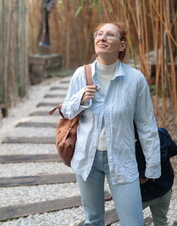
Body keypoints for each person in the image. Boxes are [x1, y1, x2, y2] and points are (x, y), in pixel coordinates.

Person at [61, 22, 161, 226]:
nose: (102, 38)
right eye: (99, 34)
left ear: (122, 45)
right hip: (87, 158)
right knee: (93, 220)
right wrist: (80, 98)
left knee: (133, 222)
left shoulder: (135, 80)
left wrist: (152, 166)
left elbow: (146, 126)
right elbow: (66, 111)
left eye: (109, 35)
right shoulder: (82, 74)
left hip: (122, 157)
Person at [136, 127, 177, 226]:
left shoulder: (135, 144)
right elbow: (174, 150)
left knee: (132, 221)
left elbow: (142, 179)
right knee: (161, 222)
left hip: (143, 195)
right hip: (164, 190)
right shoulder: (161, 132)